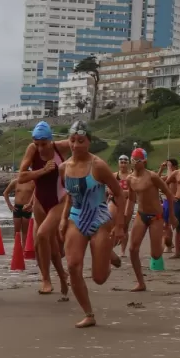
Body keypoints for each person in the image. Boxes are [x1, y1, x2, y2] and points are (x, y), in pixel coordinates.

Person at [58, 121, 125, 328]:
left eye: (81, 141)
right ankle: (89, 314)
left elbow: (119, 193)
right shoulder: (64, 168)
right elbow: (70, 195)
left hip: (99, 219)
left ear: (88, 142)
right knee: (73, 265)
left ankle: (108, 257)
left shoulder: (98, 166)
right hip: (76, 218)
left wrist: (120, 226)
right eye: (72, 140)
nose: (76, 145)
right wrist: (63, 218)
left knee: (99, 278)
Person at [17, 121, 71, 296]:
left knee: (41, 235)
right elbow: (22, 177)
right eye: (37, 144)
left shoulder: (62, 147)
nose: (40, 148)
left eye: (44, 144)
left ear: (51, 140)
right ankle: (52, 278)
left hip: (59, 200)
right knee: (48, 244)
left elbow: (84, 150)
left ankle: (55, 277)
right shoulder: (32, 150)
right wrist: (43, 171)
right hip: (40, 201)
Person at [125, 148, 177, 292]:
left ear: (144, 161)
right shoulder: (129, 179)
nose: (134, 163)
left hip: (156, 217)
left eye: (137, 160)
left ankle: (165, 236)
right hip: (141, 215)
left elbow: (168, 194)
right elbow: (130, 199)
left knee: (156, 254)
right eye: (133, 160)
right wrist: (124, 220)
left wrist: (171, 216)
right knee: (132, 249)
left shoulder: (152, 176)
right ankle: (140, 282)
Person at [110, 154, 133, 257]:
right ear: (118, 163)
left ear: (128, 163)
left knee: (125, 226)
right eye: (121, 162)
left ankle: (123, 251)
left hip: (128, 201)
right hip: (115, 202)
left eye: (125, 162)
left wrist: (124, 192)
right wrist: (121, 193)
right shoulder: (114, 175)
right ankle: (111, 247)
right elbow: (110, 190)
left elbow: (135, 190)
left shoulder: (132, 175)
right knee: (113, 225)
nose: (123, 164)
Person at [3, 176, 35, 242]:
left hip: (27, 208)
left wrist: (33, 207)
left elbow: (37, 195)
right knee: (17, 231)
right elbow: (5, 193)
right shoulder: (16, 182)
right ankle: (17, 248)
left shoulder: (33, 182)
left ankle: (24, 249)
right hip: (17, 207)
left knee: (25, 231)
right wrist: (10, 205)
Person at [159, 158, 178, 252]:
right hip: (166, 201)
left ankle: (169, 244)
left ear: (174, 167)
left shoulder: (177, 174)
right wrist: (161, 169)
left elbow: (171, 178)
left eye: (169, 166)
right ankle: (169, 243)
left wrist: (169, 168)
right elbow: (156, 180)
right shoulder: (168, 175)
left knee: (169, 224)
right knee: (165, 224)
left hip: (174, 201)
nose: (168, 168)